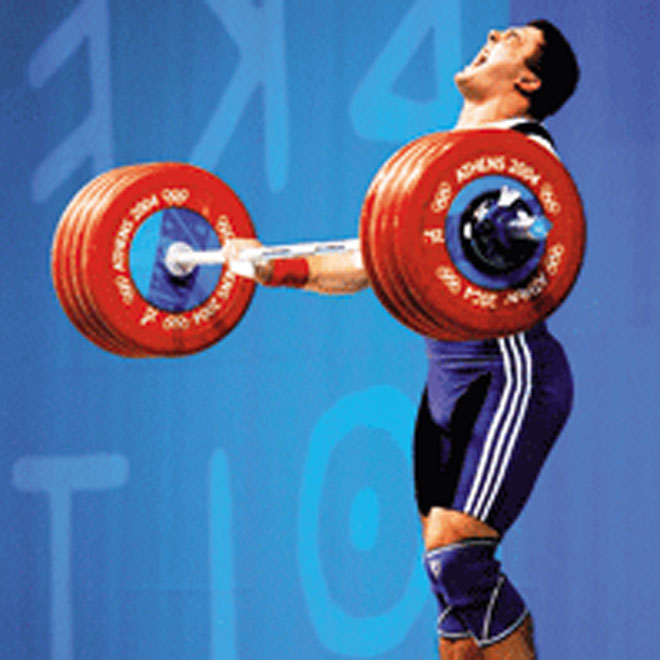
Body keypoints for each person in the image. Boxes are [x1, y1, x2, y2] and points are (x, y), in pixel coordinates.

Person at [232, 19, 580, 659]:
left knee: (460, 558)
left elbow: (540, 232)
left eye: (514, 38)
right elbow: (369, 262)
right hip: (448, 382)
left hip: (509, 375)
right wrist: (269, 267)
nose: (494, 31)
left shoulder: (528, 159)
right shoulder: (443, 172)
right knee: (453, 599)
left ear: (529, 81)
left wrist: (510, 228)